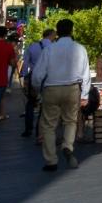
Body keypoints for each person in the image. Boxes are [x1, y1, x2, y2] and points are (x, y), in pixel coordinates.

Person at [34, 17, 91, 172]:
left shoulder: (49, 49)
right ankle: (67, 146)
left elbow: (38, 73)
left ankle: (51, 160)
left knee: (48, 125)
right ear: (71, 31)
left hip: (51, 88)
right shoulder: (80, 49)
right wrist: (85, 95)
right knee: (70, 121)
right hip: (72, 88)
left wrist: (37, 89)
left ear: (57, 32)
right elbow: (86, 74)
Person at [20, 27, 50, 137]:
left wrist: (23, 76)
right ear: (51, 36)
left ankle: (28, 129)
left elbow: (26, 63)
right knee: (45, 105)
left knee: (30, 103)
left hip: (33, 76)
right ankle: (39, 132)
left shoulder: (32, 46)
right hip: (47, 78)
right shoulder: (52, 47)